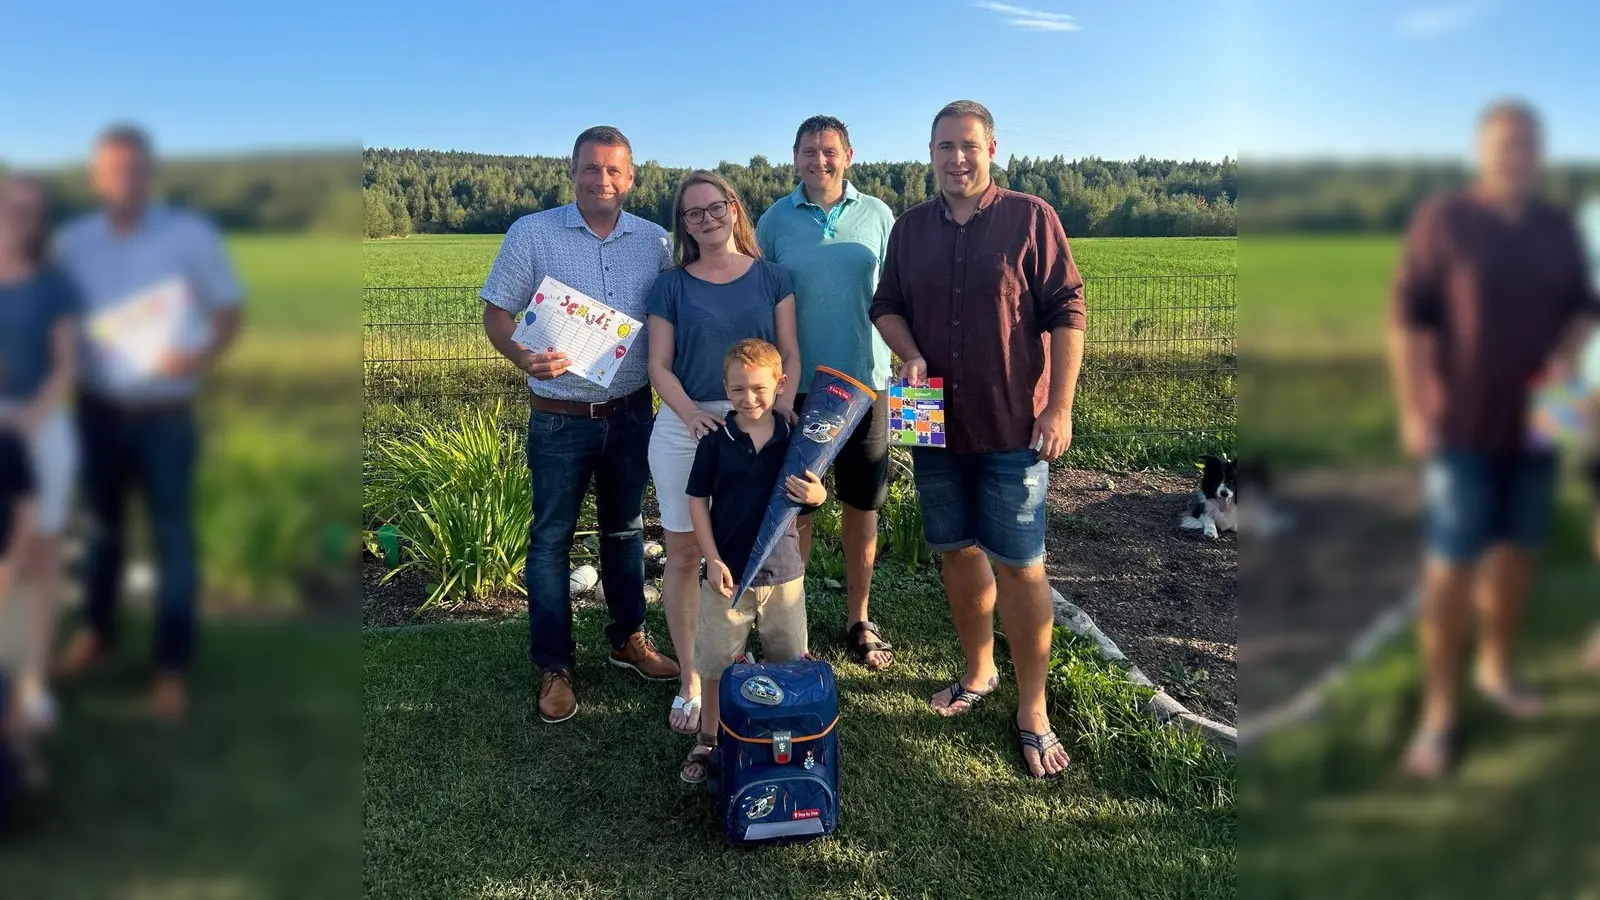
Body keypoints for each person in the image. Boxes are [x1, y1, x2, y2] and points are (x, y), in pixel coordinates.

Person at [869, 100, 1086, 780]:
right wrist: (906, 352)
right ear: (929, 154)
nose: (956, 159)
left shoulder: (1031, 217)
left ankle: (1034, 708)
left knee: (1022, 563)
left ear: (992, 147)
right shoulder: (908, 229)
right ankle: (979, 671)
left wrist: (1059, 408)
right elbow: (887, 305)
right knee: (955, 551)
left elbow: (1067, 311)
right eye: (943, 147)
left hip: (1013, 420)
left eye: (968, 146)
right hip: (927, 415)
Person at [1388, 100, 1600, 779]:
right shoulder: (1446, 221)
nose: (1516, 156)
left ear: (1538, 155)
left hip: (1541, 425)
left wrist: (1567, 359)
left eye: (1527, 145)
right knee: (1450, 571)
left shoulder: (1557, 227)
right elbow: (1411, 320)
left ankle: (1497, 668)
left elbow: (1582, 310)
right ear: (1483, 150)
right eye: (1504, 145)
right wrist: (1416, 409)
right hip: (1460, 426)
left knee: (1518, 557)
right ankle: (1439, 714)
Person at [481, 126, 680, 725]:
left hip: (630, 414)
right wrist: (521, 356)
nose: (603, 181)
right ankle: (555, 666)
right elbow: (495, 313)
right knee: (550, 543)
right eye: (591, 169)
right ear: (573, 172)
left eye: (614, 171)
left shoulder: (655, 242)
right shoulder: (532, 234)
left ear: (632, 176)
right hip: (558, 418)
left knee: (624, 531)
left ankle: (628, 640)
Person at [52, 125, 245, 722]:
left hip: (165, 416)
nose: (123, 182)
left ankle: (171, 670)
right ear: (96, 177)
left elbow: (228, 311)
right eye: (111, 171)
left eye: (133, 170)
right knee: (102, 533)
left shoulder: (188, 236)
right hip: (97, 411)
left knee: (172, 541)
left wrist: (198, 357)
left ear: (149, 174)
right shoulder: (74, 242)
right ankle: (98, 634)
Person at [647, 171, 801, 734]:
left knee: (754, 541)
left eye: (715, 207)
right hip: (687, 424)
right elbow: (658, 365)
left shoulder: (773, 278)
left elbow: (789, 353)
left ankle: (741, 650)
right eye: (693, 213)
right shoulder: (670, 285)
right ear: (683, 224)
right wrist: (691, 414)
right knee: (688, 553)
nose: (706, 220)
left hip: (761, 420)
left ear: (733, 208)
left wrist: (781, 409)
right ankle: (694, 673)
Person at [756, 115, 898, 672]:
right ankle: (795, 623)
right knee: (798, 510)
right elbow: (761, 297)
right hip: (801, 392)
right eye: (809, 151)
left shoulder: (879, 215)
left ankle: (859, 617)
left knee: (863, 509)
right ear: (794, 157)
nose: (820, 160)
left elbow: (898, 293)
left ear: (849, 155)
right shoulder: (774, 222)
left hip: (868, 387)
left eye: (830, 151)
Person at [677, 339, 825, 784]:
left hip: (784, 574)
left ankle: (786, 733)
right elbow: (697, 501)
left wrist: (818, 496)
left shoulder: (795, 439)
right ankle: (709, 737)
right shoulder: (715, 441)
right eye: (738, 390)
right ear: (725, 388)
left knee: (788, 658)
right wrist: (712, 558)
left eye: (759, 388)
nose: (749, 398)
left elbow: (813, 495)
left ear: (780, 385)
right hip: (727, 577)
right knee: (718, 662)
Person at [0, 173, 82, 735]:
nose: (19, 218)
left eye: (31, 210)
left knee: (40, 556)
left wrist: (28, 420)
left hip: (42, 428)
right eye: (11, 206)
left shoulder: (55, 284)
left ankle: (31, 684)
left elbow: (66, 366)